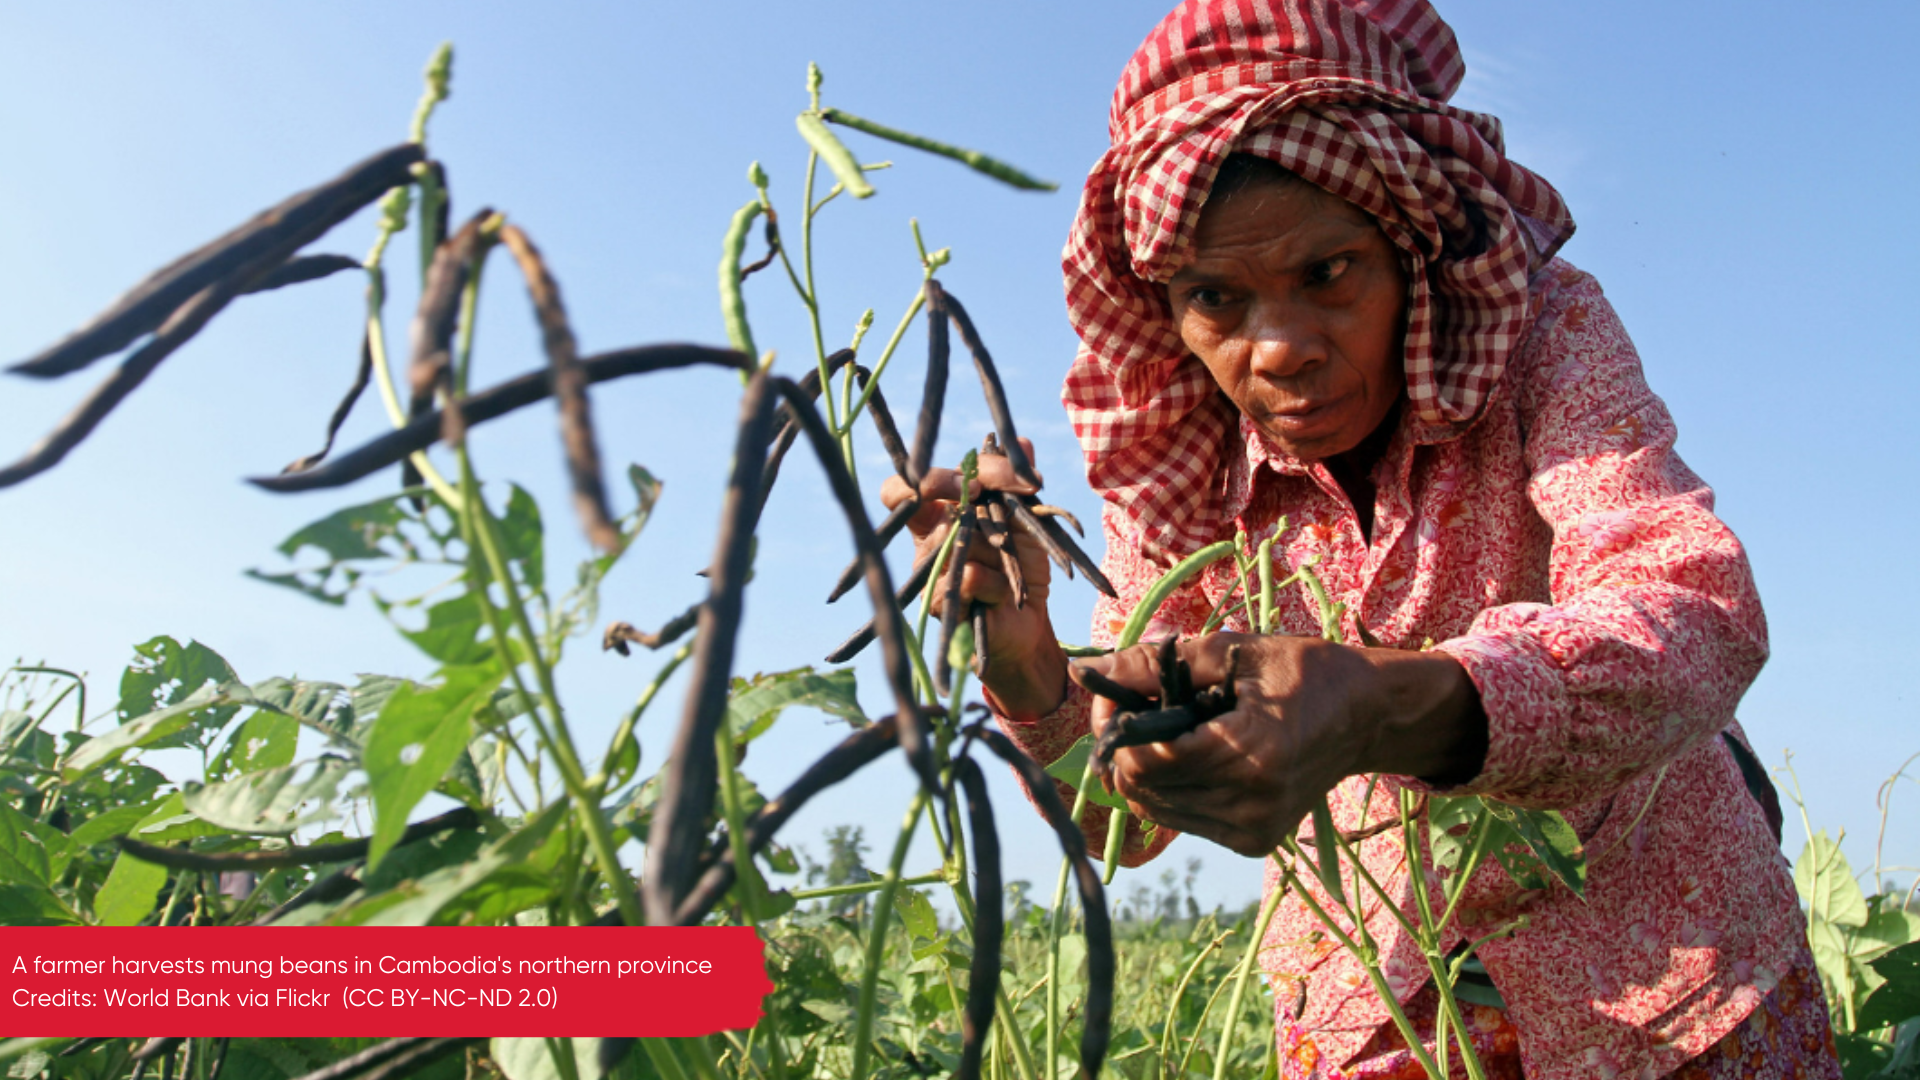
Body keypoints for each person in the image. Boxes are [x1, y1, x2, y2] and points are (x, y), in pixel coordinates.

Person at [881, 1, 1841, 1077]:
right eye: (1215, 298)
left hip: (1677, 994)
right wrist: (1026, 662)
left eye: (1328, 275)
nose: (1278, 349)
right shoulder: (1183, 465)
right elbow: (1127, 822)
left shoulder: (1543, 340)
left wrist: (1381, 703)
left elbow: (1693, 605)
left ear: (1411, 245)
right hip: (1376, 1029)